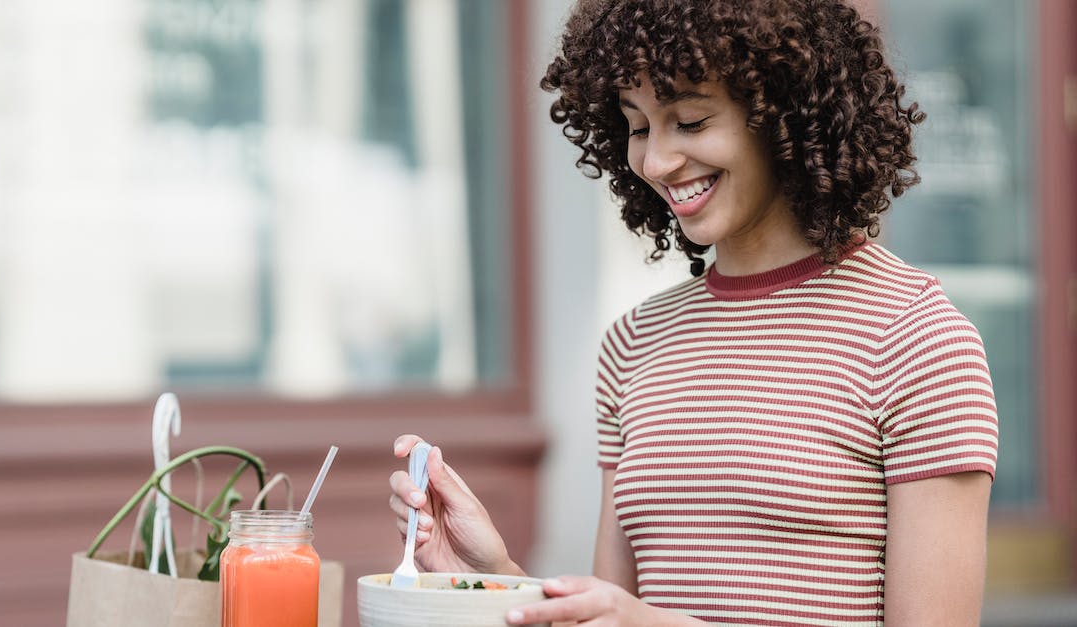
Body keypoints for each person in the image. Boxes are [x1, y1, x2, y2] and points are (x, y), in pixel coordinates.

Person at [388, 0, 998, 625]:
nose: (655, 163)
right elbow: (615, 616)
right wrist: (493, 580)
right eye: (640, 126)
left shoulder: (917, 339)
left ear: (783, 113)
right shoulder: (634, 344)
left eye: (691, 121)